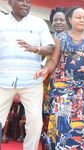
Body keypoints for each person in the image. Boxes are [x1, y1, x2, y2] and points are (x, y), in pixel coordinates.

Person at [35, 6, 84, 149]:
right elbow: (54, 60)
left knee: (81, 122)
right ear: (70, 19)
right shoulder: (61, 38)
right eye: (79, 17)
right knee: (62, 121)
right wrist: (45, 69)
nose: (82, 20)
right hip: (62, 87)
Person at [0, 0, 54, 149]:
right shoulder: (1, 21)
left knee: (35, 122)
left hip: (32, 81)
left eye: (28, 1)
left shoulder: (39, 23)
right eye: (21, 0)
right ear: (11, 2)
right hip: (3, 81)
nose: (26, 4)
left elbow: (50, 48)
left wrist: (35, 49)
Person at [41, 6, 69, 149]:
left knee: (61, 124)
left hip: (64, 89)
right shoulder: (47, 40)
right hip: (46, 87)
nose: (58, 22)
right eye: (55, 20)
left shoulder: (72, 41)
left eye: (61, 20)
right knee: (46, 121)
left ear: (68, 22)